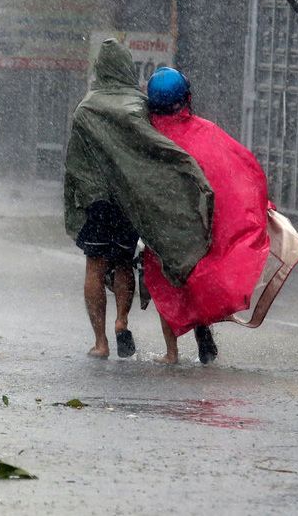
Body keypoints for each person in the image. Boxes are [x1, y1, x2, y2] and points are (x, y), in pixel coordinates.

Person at [64, 39, 214, 359]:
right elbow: (153, 150)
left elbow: (74, 166)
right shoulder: (139, 105)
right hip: (130, 200)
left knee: (94, 267)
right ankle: (122, 321)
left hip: (97, 202)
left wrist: (75, 206)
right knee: (123, 263)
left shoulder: (85, 110)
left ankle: (101, 342)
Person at [141, 67, 271, 364]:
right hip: (199, 224)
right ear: (186, 98)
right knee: (198, 276)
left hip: (164, 225)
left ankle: (171, 352)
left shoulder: (147, 138)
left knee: (165, 281)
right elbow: (237, 169)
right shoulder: (206, 132)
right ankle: (203, 328)